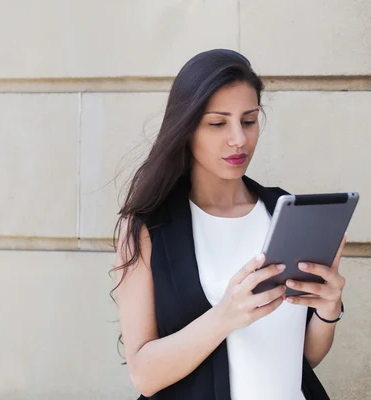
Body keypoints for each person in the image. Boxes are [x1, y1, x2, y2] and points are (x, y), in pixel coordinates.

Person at [112, 49, 346, 400]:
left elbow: (302, 358)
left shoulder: (282, 211)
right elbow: (144, 376)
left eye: (249, 120)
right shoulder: (149, 228)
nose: (239, 138)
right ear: (186, 128)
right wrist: (225, 315)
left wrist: (328, 310)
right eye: (218, 123)